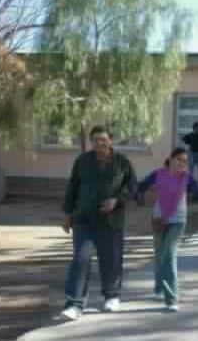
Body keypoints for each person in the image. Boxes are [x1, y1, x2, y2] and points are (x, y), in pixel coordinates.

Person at [59, 126, 137, 321]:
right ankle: (74, 304)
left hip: (111, 221)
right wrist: (68, 214)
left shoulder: (122, 162)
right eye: (95, 140)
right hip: (83, 219)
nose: (99, 143)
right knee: (80, 259)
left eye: (103, 139)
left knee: (111, 259)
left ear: (110, 141)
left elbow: (132, 188)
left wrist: (116, 201)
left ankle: (111, 296)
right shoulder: (82, 161)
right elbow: (72, 187)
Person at [138, 148, 198, 312]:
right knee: (159, 256)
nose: (182, 163)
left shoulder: (186, 177)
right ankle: (159, 286)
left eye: (185, 161)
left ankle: (171, 298)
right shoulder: (158, 174)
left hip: (177, 221)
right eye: (179, 159)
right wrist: (131, 195)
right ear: (170, 159)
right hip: (159, 220)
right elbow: (141, 186)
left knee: (169, 255)